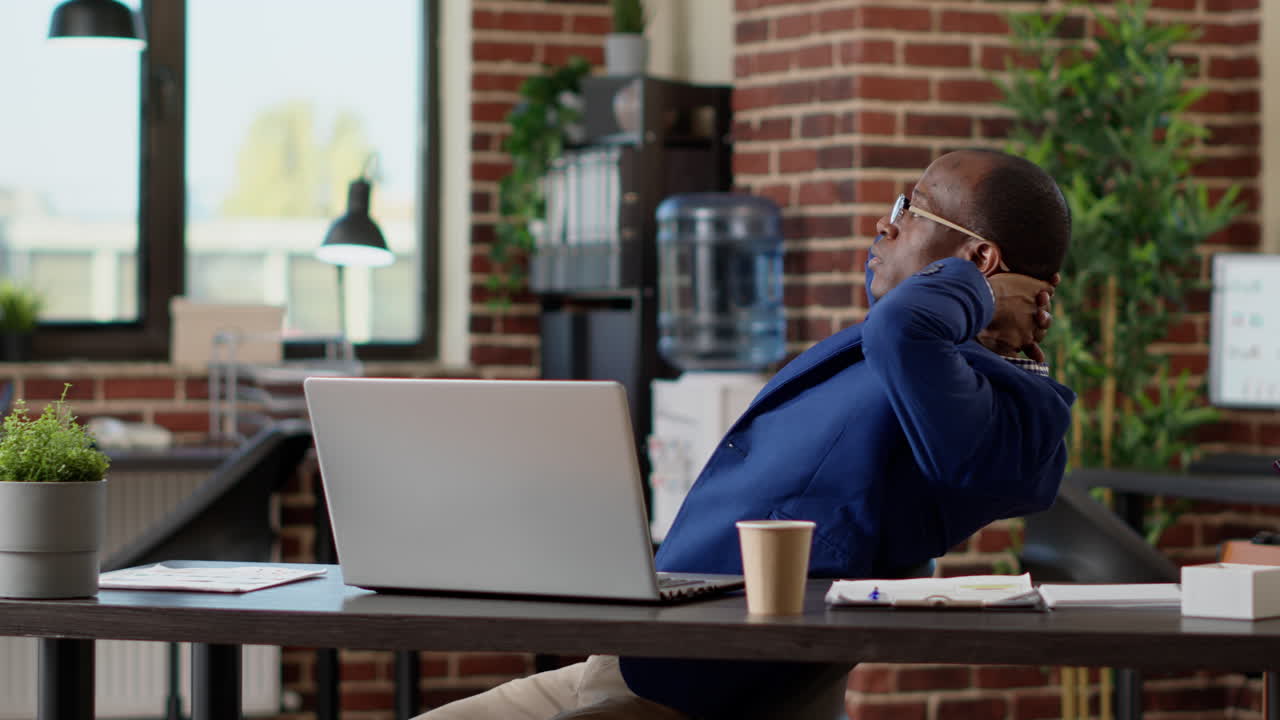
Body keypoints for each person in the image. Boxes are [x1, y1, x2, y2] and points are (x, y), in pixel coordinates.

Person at [419, 149, 1076, 720]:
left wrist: (979, 289)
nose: (886, 221)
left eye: (912, 207)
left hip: (693, 698)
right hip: (636, 656)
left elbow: (902, 329)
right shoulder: (915, 357)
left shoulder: (1013, 411)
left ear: (979, 258)